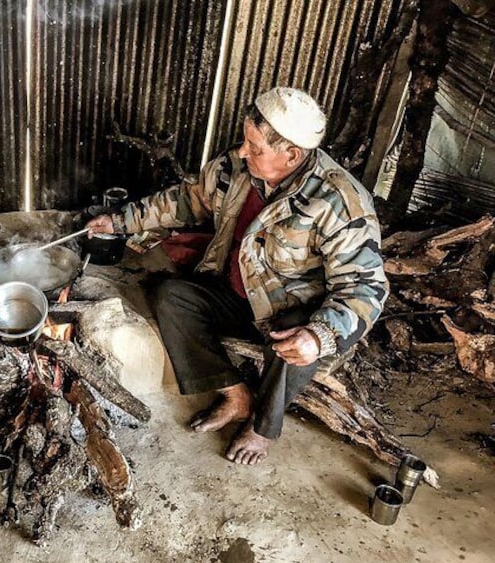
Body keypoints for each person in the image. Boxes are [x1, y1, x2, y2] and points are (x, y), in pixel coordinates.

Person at [87, 87, 388, 465]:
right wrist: (119, 222)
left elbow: (367, 286)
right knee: (169, 296)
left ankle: (262, 427)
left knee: (300, 335)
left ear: (291, 155)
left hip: (286, 312)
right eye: (246, 140)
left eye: (255, 147)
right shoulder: (235, 169)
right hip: (234, 292)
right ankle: (235, 394)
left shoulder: (340, 201)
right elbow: (184, 201)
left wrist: (321, 335)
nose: (243, 152)